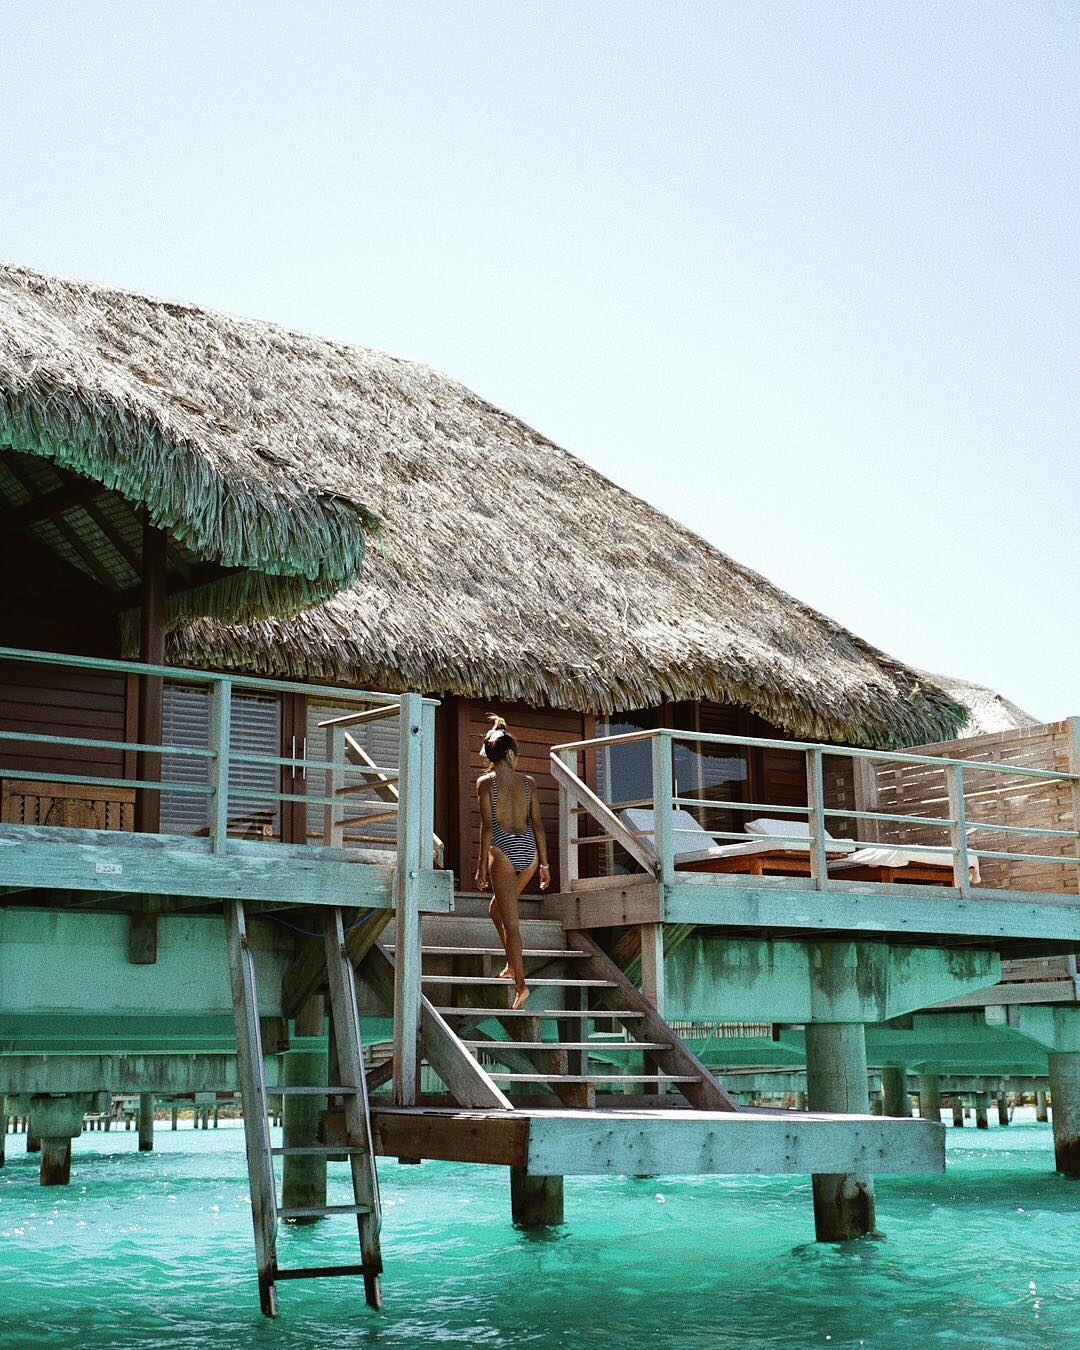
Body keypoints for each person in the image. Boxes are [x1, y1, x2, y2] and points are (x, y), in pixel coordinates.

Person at [474, 716, 549, 1009]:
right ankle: (510, 964)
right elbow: (539, 825)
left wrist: (481, 867)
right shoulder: (528, 783)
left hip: (503, 851)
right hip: (529, 852)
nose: (517, 759)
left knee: (512, 922)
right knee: (497, 910)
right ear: (509, 753)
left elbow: (486, 828)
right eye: (516, 754)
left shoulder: (484, 783)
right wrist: (544, 865)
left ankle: (521, 985)